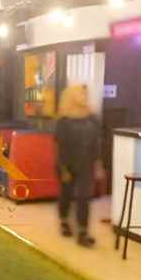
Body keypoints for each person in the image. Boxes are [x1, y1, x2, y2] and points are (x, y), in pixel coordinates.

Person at [55, 84, 103, 248]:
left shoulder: (93, 118)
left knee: (84, 197)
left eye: (86, 94)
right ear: (73, 96)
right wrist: (63, 168)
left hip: (86, 164)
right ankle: (64, 221)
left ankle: (83, 232)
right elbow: (60, 146)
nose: (85, 96)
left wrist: (98, 164)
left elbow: (96, 143)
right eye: (82, 94)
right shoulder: (63, 120)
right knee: (66, 194)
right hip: (67, 164)